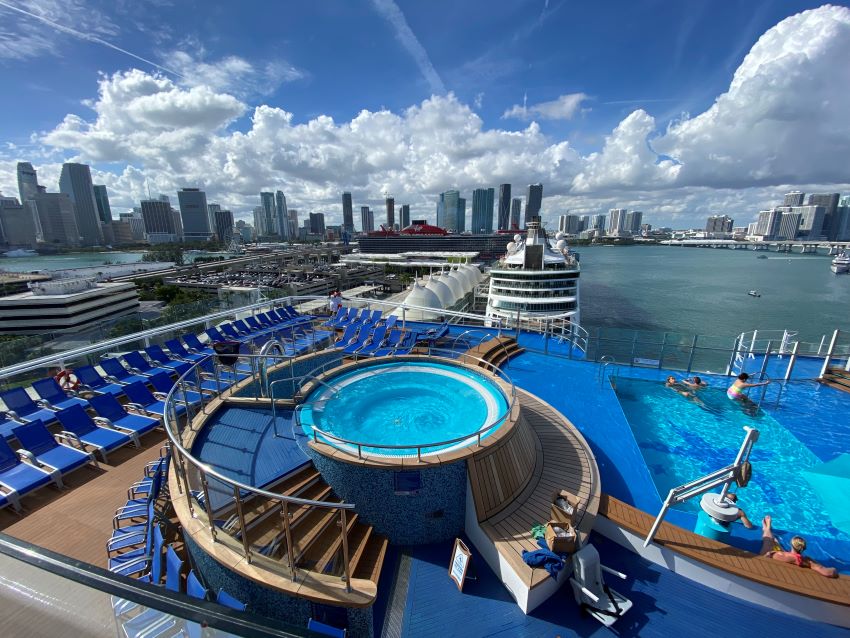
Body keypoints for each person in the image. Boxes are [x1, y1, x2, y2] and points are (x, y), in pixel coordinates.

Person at [759, 516, 837, 577]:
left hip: (771, 560)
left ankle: (766, 528)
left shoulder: (781, 555)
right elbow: (829, 572)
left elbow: (767, 556)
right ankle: (768, 530)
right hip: (785, 557)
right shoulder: (807, 560)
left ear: (792, 545)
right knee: (775, 541)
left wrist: (771, 552)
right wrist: (834, 569)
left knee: (768, 541)